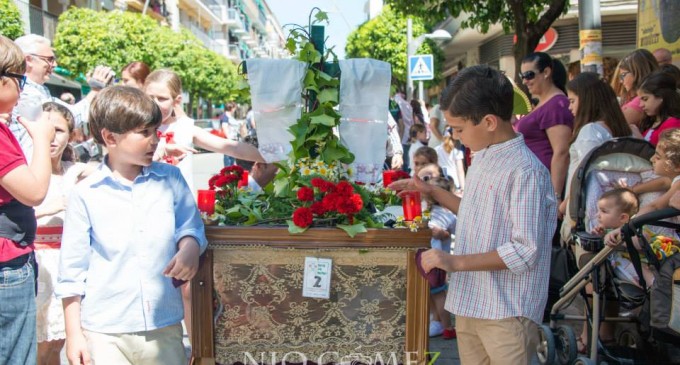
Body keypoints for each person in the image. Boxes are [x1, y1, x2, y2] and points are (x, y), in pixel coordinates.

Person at [391, 65, 556, 364]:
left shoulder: (525, 171)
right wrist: (432, 192)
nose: (454, 135)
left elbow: (524, 250)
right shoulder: (483, 154)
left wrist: (454, 261)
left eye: (459, 129)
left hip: (506, 311)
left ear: (490, 122)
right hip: (471, 301)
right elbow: (477, 214)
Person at [55, 86, 208, 365]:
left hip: (162, 323)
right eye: (144, 133)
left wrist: (189, 246)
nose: (154, 140)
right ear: (110, 137)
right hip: (104, 330)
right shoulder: (86, 192)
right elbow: (72, 269)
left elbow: (192, 226)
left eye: (156, 131)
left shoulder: (171, 179)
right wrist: (73, 333)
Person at [0, 34, 55, 365]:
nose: (21, 90)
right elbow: (34, 191)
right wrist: (41, 139)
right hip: (6, 263)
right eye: (19, 80)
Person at [143, 69, 265, 193]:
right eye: (149, 97)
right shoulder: (135, 128)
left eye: (162, 98)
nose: (154, 103)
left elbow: (231, 147)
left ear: (177, 101)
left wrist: (270, 157)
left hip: (179, 205)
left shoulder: (185, 127)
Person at [33, 102, 87, 365]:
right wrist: (52, 207)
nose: (52, 137)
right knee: (35, 347)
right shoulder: (22, 168)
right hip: (36, 265)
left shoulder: (73, 172)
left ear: (71, 135)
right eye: (46, 129)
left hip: (65, 265)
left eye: (59, 130)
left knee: (56, 345)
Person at [11, 34, 113, 162]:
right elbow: (68, 118)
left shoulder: (35, 89)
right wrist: (96, 90)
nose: (54, 65)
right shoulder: (25, 92)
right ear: (28, 60)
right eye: (49, 59)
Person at [559, 72, 633, 218]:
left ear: (588, 100)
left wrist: (564, 206)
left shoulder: (590, 131)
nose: (569, 107)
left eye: (572, 101)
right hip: (616, 210)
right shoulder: (627, 130)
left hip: (588, 211)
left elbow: (584, 175)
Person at [605, 129, 680, 246]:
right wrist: (632, 190)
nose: (651, 159)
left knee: (637, 239)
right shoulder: (675, 178)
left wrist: (625, 228)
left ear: (677, 167)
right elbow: (663, 182)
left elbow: (655, 206)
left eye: (658, 157)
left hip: (676, 241)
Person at [516, 52, 573, 204]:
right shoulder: (545, 103)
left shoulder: (557, 105)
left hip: (545, 188)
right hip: (534, 186)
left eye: (529, 75)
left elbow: (561, 151)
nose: (525, 81)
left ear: (546, 72)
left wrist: (555, 196)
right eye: (522, 76)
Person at [423, 175, 457, 340]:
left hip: (427, 258)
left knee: (434, 294)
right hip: (438, 260)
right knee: (439, 294)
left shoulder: (427, 212)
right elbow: (457, 230)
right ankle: (445, 326)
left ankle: (443, 325)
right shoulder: (449, 214)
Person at [618, 49, 659, 129]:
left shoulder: (640, 100)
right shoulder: (632, 98)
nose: (620, 81)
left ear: (637, 72)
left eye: (623, 75)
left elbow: (615, 125)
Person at [637, 71, 680, 147]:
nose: (641, 105)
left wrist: (638, 140)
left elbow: (666, 155)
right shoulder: (651, 121)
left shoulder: (673, 123)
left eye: (645, 99)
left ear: (661, 96)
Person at [220, 101, 241, 167]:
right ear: (231, 108)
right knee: (228, 159)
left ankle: (230, 172)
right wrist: (229, 139)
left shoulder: (229, 116)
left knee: (231, 158)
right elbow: (224, 127)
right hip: (229, 140)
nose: (235, 110)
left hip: (233, 140)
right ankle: (228, 173)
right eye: (234, 108)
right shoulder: (225, 116)